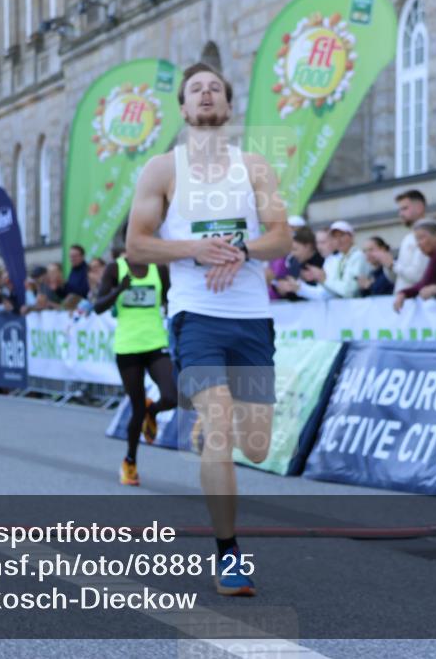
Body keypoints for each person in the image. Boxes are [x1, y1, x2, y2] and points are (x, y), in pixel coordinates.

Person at [125, 62, 291, 597]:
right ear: (182, 107)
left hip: (250, 317)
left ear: (226, 106)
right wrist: (193, 248)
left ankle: (205, 422)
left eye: (214, 88)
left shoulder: (255, 166)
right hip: (195, 315)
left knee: (258, 447)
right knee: (219, 433)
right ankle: (229, 556)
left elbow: (282, 236)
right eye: (195, 89)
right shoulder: (161, 169)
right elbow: (137, 246)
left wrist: (242, 250)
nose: (205, 94)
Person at [94, 255, 178, 486]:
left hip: (155, 343)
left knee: (172, 396)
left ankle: (154, 411)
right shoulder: (115, 269)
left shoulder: (158, 268)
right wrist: (119, 290)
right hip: (128, 347)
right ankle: (130, 462)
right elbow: (98, 307)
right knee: (137, 408)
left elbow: (172, 300)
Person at [281, 220, 368, 300]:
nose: (338, 240)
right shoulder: (336, 259)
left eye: (342, 235)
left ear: (351, 236)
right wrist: (299, 288)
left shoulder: (356, 256)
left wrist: (323, 279)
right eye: (335, 237)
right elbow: (324, 293)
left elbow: (347, 291)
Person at [377, 190, 430, 294]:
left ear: (419, 207)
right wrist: (388, 265)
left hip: (420, 303)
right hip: (404, 303)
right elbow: (397, 279)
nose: (400, 214)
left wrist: (393, 265)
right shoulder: (408, 238)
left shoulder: (430, 234)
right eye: (400, 210)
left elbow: (419, 276)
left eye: (405, 208)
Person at [392, 221, 436, 313]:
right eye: (416, 240)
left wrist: (404, 293)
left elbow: (426, 283)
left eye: (421, 238)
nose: (418, 244)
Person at [273, 227, 324, 301]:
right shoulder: (294, 263)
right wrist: (282, 289)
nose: (292, 253)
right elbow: (293, 296)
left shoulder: (323, 261)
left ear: (307, 246)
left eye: (295, 249)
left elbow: (325, 294)